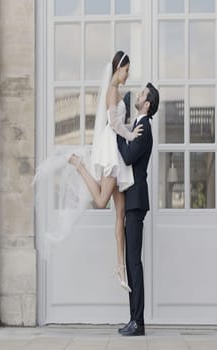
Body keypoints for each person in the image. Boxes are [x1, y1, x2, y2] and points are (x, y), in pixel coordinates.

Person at [69, 51, 142, 292]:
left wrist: (129, 130)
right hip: (112, 151)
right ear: (119, 68)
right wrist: (130, 134)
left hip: (118, 152)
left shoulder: (117, 92)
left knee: (120, 214)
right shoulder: (112, 91)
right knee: (101, 201)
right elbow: (113, 122)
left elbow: (117, 120)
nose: (128, 75)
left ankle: (120, 266)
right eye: (127, 70)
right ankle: (80, 166)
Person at [116, 82, 159, 337]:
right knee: (132, 261)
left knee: (134, 262)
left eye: (142, 94)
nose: (139, 95)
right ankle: (134, 319)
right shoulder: (139, 124)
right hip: (132, 200)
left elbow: (128, 156)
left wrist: (116, 133)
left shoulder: (144, 127)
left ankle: (138, 321)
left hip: (135, 201)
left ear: (147, 103)